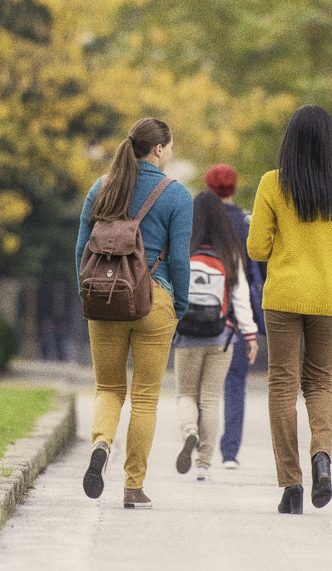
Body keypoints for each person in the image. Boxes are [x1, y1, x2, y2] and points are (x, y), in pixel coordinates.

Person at [247, 105, 332, 514]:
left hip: (283, 296)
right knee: (319, 382)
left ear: (290, 140)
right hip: (331, 298)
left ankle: (292, 484)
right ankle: (322, 457)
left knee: (282, 386)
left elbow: (256, 248)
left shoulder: (272, 183)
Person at [75, 117, 193, 510]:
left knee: (108, 389)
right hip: (154, 301)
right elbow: (180, 261)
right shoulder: (177, 195)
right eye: (170, 146)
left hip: (104, 299)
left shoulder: (101, 188)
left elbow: (81, 249)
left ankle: (101, 445)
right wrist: (178, 305)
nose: (170, 152)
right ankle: (133, 487)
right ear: (158, 149)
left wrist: (88, 295)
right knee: (144, 399)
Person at [172, 190, 259, 482]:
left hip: (186, 335)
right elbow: (241, 298)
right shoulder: (230, 251)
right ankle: (203, 465)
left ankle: (190, 431)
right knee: (210, 399)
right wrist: (250, 336)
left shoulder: (183, 248)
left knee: (187, 394)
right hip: (221, 336)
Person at [203, 164, 267, 470]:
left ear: (208, 187)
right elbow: (260, 268)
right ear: (234, 187)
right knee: (235, 381)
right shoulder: (246, 223)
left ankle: (200, 443)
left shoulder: (199, 222)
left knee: (203, 381)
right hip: (239, 312)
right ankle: (229, 452)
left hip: (203, 308)